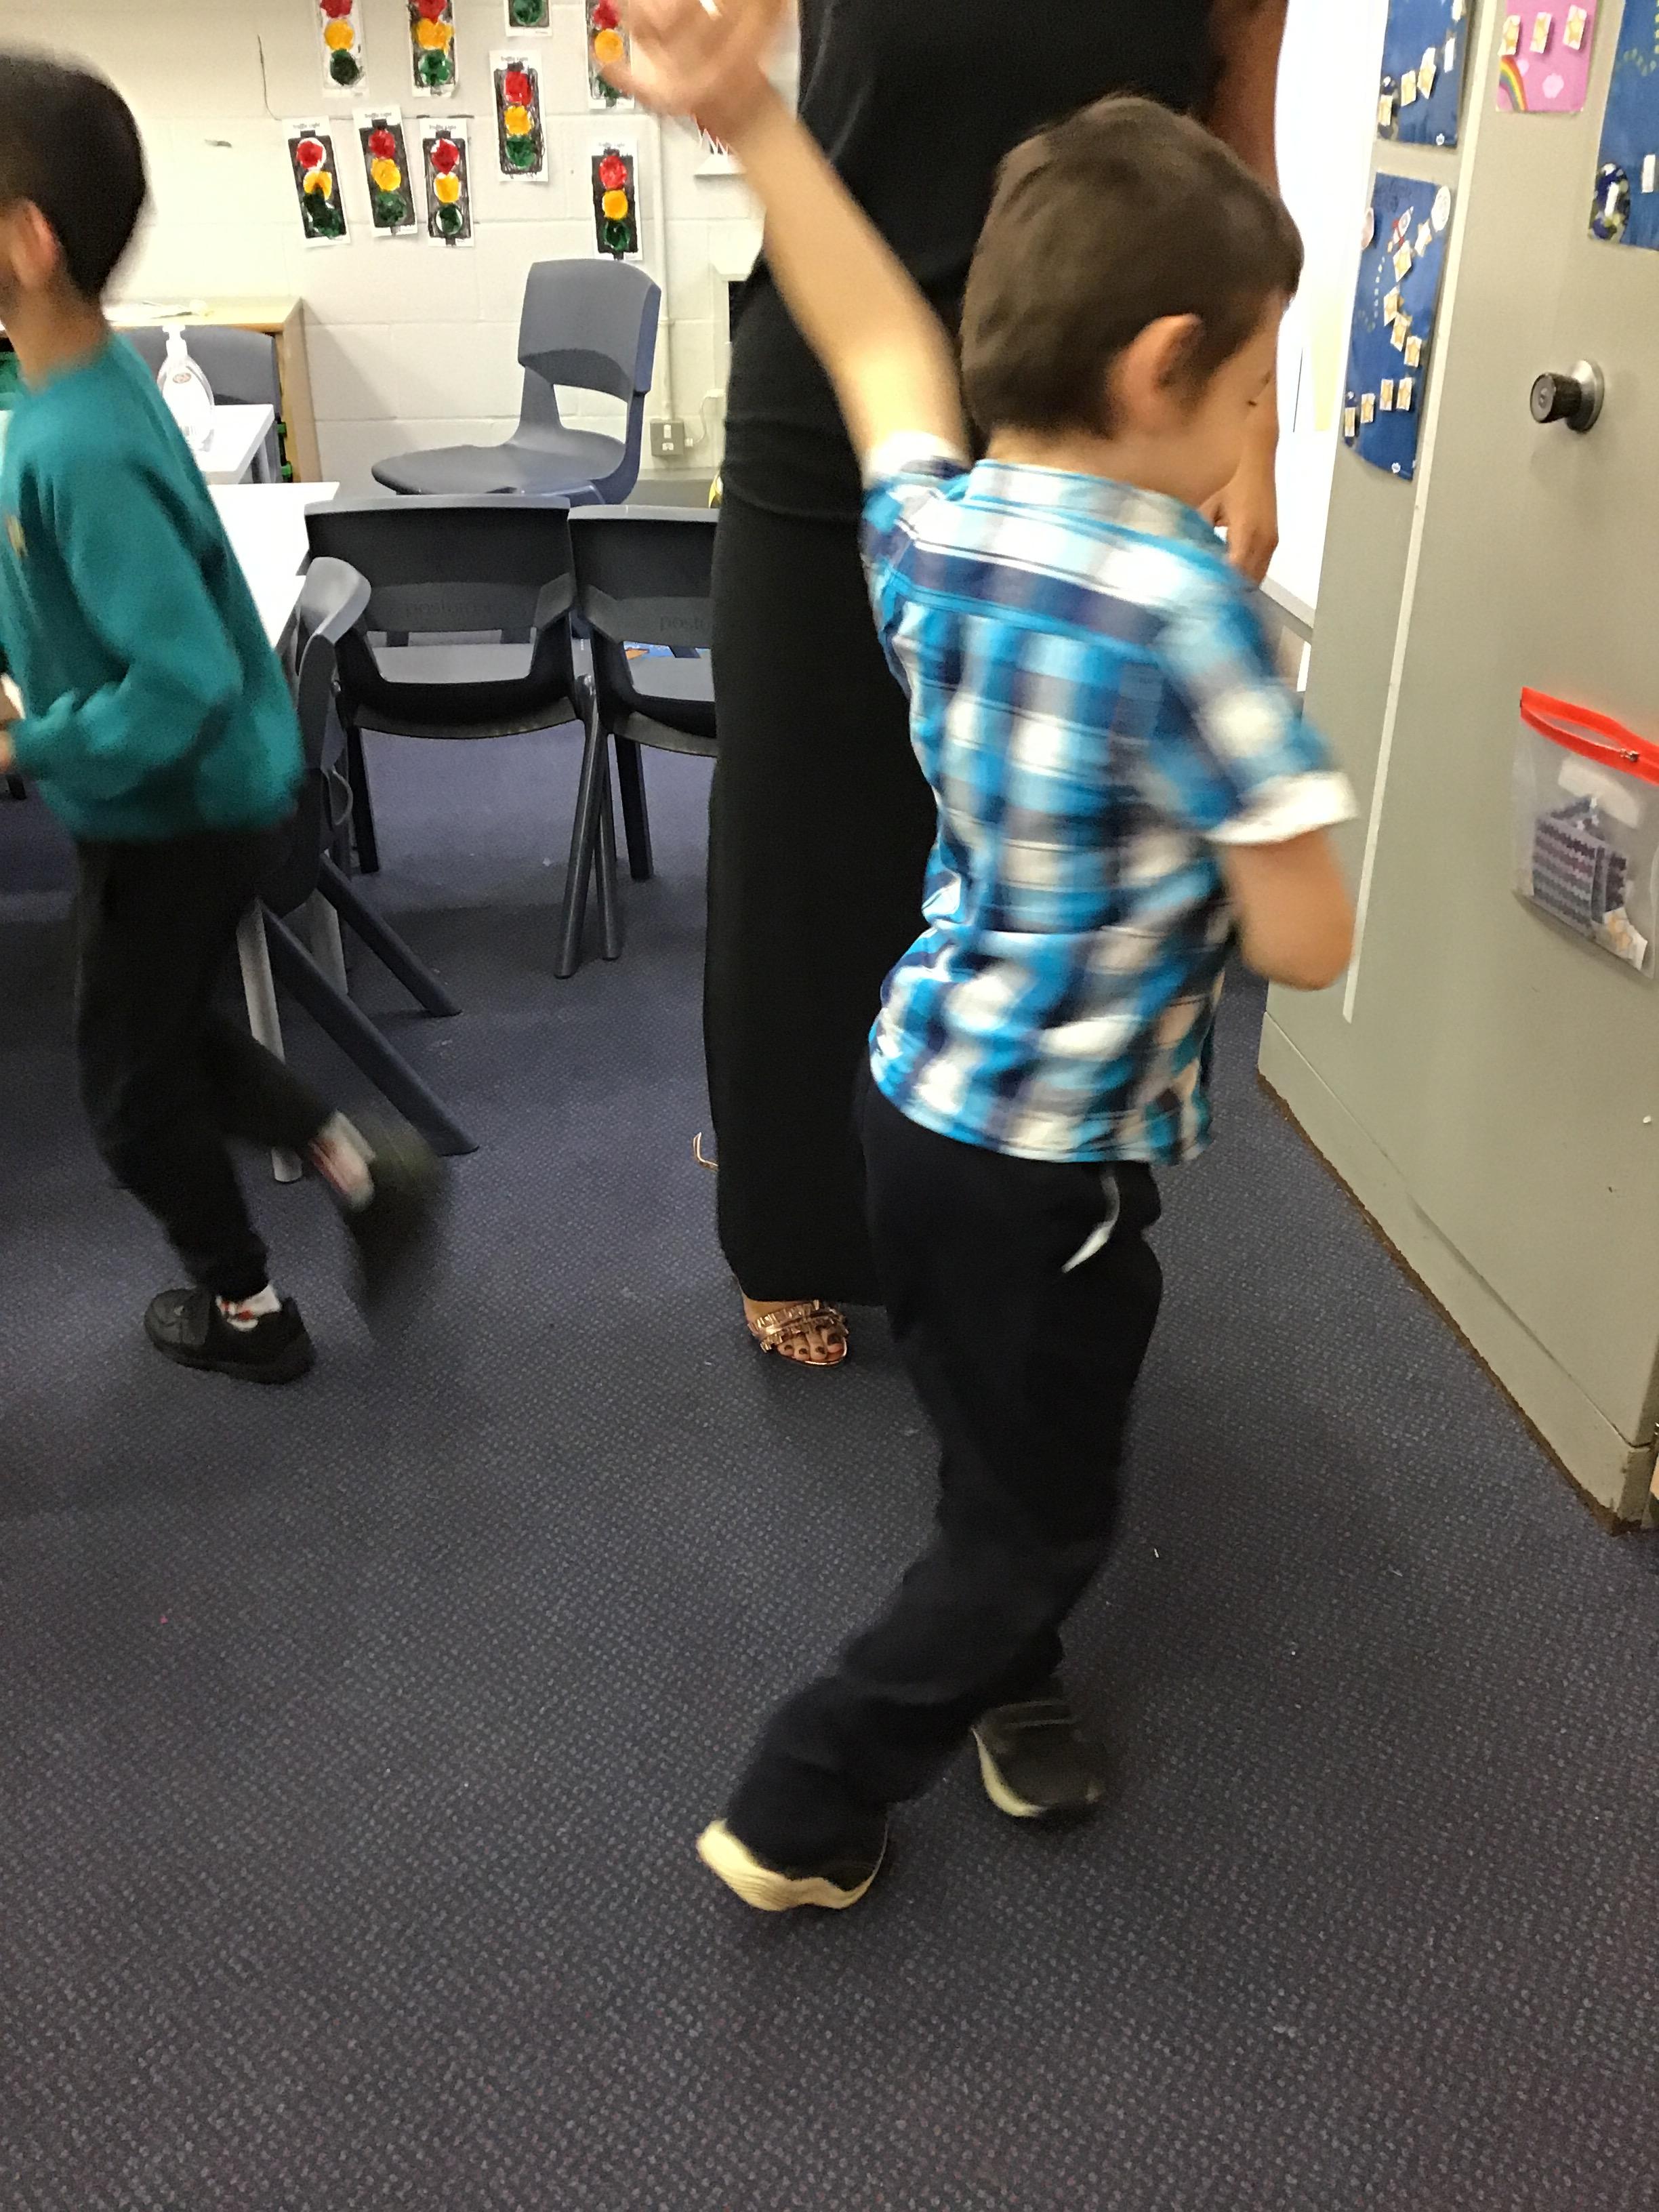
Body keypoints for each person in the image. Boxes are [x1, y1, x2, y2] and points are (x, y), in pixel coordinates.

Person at [611, 7, 1355, 1912]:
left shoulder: (932, 533)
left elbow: (873, 334)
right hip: (1054, 1166)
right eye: (1250, 383)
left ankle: (989, 1602)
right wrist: (1240, 809)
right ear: (1168, 365)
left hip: (911, 1102)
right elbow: (1308, 937)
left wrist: (756, 120)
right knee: (1044, 1523)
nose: (1253, 420)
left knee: (981, 1407)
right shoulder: (1194, 621)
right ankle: (807, 1793)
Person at [701, 0, 1292, 1368]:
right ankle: (793, 1223)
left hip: (1103, 414)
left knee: (1044, 860)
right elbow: (1304, 940)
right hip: (838, 399)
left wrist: (1253, 420)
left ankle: (1003, 1212)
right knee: (800, 858)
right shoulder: (1220, 663)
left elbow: (1238, 160)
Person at [0, 54, 441, 1387]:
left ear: (25, 241)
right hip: (182, 794)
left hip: (172, 807)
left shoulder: (74, 442)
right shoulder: (75, 383)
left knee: (129, 1101)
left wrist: (30, 741)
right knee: (170, 1037)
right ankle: (365, 1175)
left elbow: (181, 681)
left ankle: (249, 1312)